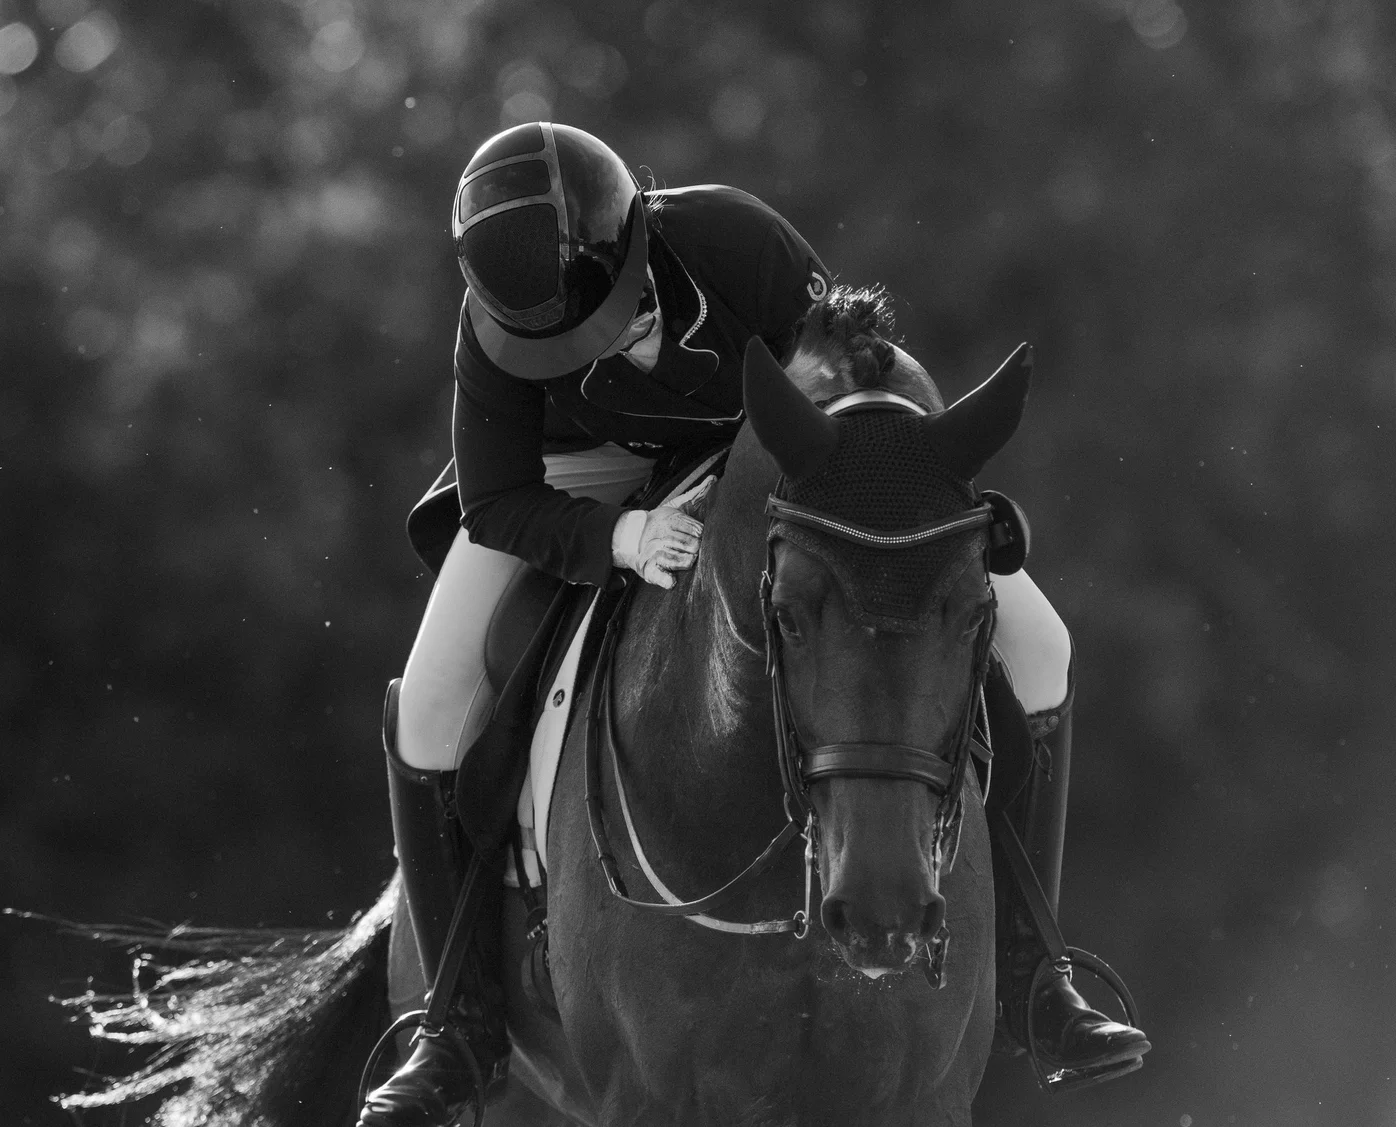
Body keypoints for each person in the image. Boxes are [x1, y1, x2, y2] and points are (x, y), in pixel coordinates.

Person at [360, 122, 1148, 1127]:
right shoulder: (490, 334)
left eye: (613, 317)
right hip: (578, 481)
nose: (601, 347)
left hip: (769, 457)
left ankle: (1039, 977)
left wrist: (873, 485)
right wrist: (622, 536)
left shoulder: (732, 240)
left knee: (1042, 647)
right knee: (428, 701)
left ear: (632, 246)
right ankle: (456, 1023)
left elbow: (863, 373)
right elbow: (496, 500)